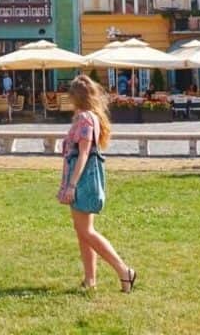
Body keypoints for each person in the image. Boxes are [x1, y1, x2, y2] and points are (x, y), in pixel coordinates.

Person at [57, 74, 136, 293]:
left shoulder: (84, 119)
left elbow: (83, 153)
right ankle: (90, 280)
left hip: (81, 179)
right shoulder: (91, 116)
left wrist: (71, 185)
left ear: (76, 97)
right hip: (81, 178)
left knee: (86, 231)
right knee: (83, 230)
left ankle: (124, 271)